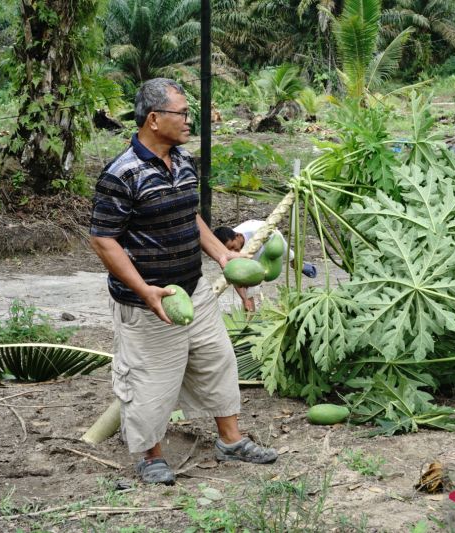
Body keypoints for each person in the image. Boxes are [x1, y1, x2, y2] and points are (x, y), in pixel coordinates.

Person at [89, 78, 278, 486]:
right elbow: (104, 240)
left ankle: (231, 441)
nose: (191, 120)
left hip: (193, 290)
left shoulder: (184, 161)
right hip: (149, 302)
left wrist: (222, 254)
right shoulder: (121, 174)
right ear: (154, 119)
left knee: (218, 363)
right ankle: (149, 455)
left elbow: (190, 217)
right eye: (183, 113)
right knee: (149, 381)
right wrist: (144, 290)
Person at [213, 220, 317, 312]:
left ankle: (299, 265)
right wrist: (244, 299)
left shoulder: (255, 231)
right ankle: (249, 319)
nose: (232, 252)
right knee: (246, 284)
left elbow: (274, 242)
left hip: (269, 240)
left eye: (233, 247)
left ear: (238, 236)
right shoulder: (226, 253)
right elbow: (234, 277)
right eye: (228, 250)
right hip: (247, 255)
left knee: (287, 255)